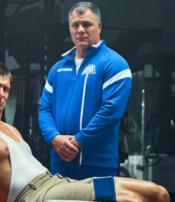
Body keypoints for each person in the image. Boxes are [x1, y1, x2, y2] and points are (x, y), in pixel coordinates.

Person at [0, 62, 171, 202]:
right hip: (34, 200)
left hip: (58, 184)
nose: (1, 94)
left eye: (5, 88)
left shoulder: (9, 128)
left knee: (158, 194)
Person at [38, 2, 132, 180]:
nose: (80, 30)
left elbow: (111, 111)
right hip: (60, 162)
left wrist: (80, 140)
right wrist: (54, 138)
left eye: (86, 24)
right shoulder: (57, 69)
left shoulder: (115, 64)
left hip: (98, 164)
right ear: (69, 28)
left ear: (99, 26)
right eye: (75, 25)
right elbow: (44, 109)